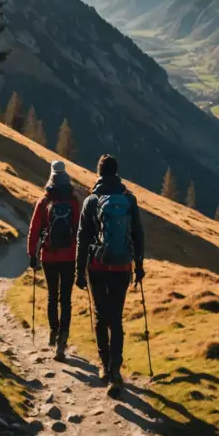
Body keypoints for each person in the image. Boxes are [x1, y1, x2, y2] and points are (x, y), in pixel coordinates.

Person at [76, 154, 145, 393]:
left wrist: (79, 272)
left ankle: (104, 366)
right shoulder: (129, 200)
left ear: (99, 173)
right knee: (116, 318)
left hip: (97, 267)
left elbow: (82, 238)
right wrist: (139, 265)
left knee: (100, 315)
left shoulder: (91, 201)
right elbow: (137, 233)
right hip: (122, 267)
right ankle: (116, 370)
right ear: (116, 173)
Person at [27, 160, 80, 361]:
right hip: (69, 256)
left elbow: (34, 230)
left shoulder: (44, 201)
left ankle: (53, 331)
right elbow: (79, 229)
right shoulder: (73, 200)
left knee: (52, 296)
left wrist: (32, 255)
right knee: (65, 299)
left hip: (49, 256)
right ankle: (62, 341)